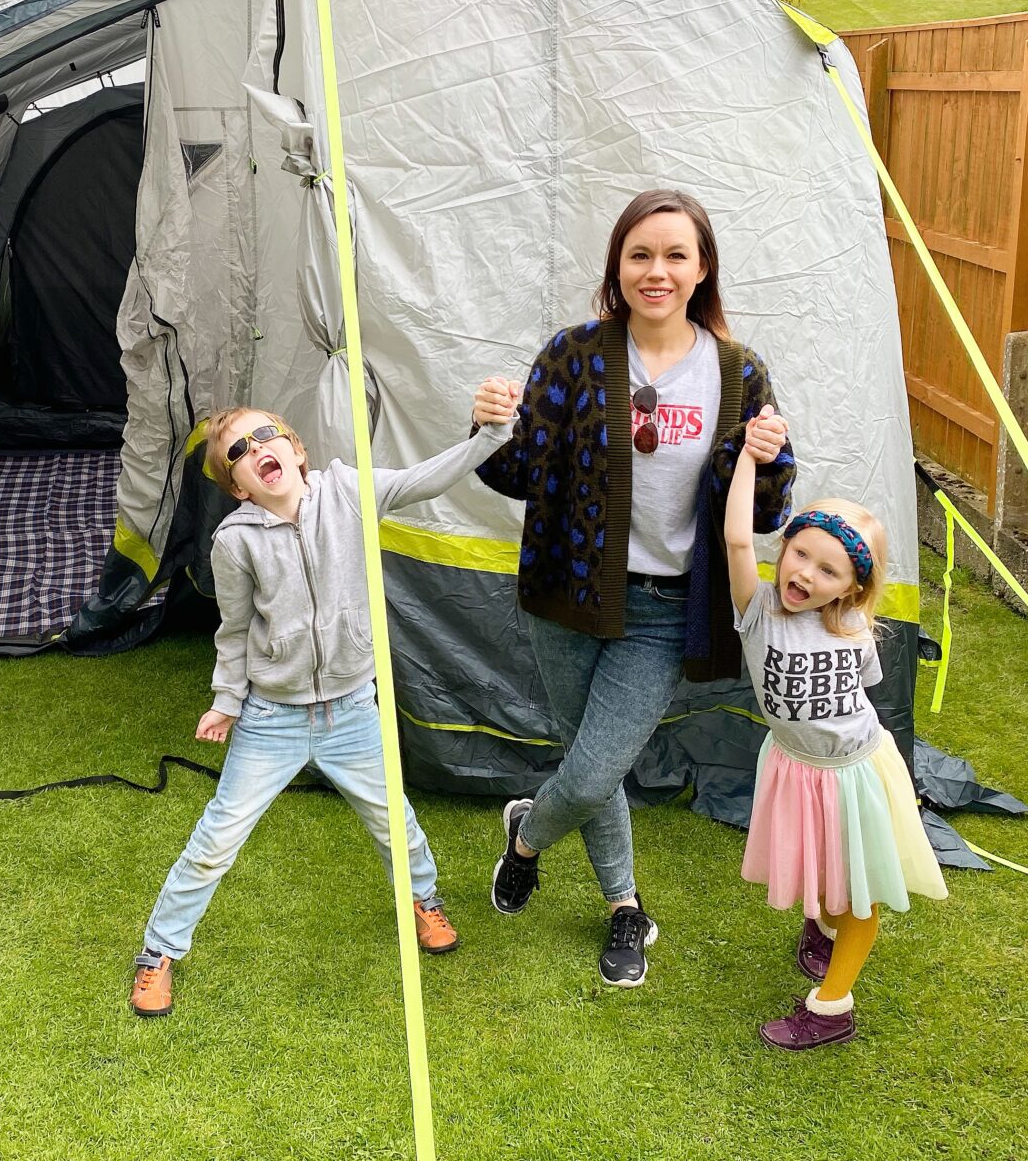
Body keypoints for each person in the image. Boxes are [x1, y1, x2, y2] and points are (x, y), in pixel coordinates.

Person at [477, 187, 796, 987]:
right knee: (597, 764)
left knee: (588, 771)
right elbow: (518, 473)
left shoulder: (737, 370)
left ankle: (525, 837)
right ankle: (625, 907)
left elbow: (765, 507)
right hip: (568, 595)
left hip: (662, 607)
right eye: (640, 255)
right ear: (618, 266)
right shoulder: (575, 354)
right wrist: (486, 425)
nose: (656, 271)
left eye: (674, 255)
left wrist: (773, 453)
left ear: (702, 268)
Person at [130, 392, 516, 1017]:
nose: (257, 450)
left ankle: (423, 899)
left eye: (267, 435)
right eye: (239, 453)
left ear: (297, 448)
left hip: (351, 711)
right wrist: (226, 702)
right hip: (271, 719)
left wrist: (489, 438)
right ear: (239, 487)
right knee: (216, 840)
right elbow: (232, 631)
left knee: (396, 822)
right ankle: (159, 953)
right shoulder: (235, 542)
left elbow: (427, 479)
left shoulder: (348, 492)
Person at [725, 421, 947, 1047]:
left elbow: (861, 696)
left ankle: (832, 1008)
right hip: (795, 767)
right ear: (784, 549)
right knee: (822, 869)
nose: (806, 574)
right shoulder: (759, 610)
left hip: (855, 774)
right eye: (800, 553)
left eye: (829, 569)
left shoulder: (853, 625)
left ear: (852, 586)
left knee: (860, 896)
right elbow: (738, 538)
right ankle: (820, 926)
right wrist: (750, 458)